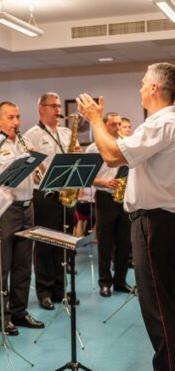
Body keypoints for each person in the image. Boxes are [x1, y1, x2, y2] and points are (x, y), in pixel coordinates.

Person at [77, 62, 175, 371]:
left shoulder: (163, 122)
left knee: (159, 309)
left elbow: (111, 154)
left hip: (156, 222)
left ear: (155, 89)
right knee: (167, 305)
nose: (140, 87)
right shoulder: (164, 122)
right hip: (163, 220)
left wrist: (94, 120)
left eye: (143, 82)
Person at [0, 101, 44, 335]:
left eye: (18, 117)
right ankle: (2, 316)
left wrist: (37, 168)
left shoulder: (24, 142)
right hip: (5, 209)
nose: (16, 122)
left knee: (23, 265)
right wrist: (10, 175)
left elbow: (36, 178)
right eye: (10, 117)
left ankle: (19, 311)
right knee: (2, 266)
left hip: (27, 207)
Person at [24, 92, 79, 311]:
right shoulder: (31, 135)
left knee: (63, 245)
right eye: (54, 106)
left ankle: (60, 289)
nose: (59, 109)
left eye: (59, 106)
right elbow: (31, 167)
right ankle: (44, 292)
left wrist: (77, 155)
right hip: (45, 196)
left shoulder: (66, 132)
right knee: (45, 246)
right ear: (42, 109)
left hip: (66, 195)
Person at [88, 112, 132, 297]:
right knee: (105, 243)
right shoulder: (93, 148)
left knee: (124, 242)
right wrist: (104, 183)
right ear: (104, 126)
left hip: (125, 197)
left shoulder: (126, 144)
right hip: (105, 197)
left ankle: (120, 282)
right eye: (114, 124)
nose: (118, 128)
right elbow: (87, 176)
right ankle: (105, 282)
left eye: (119, 124)